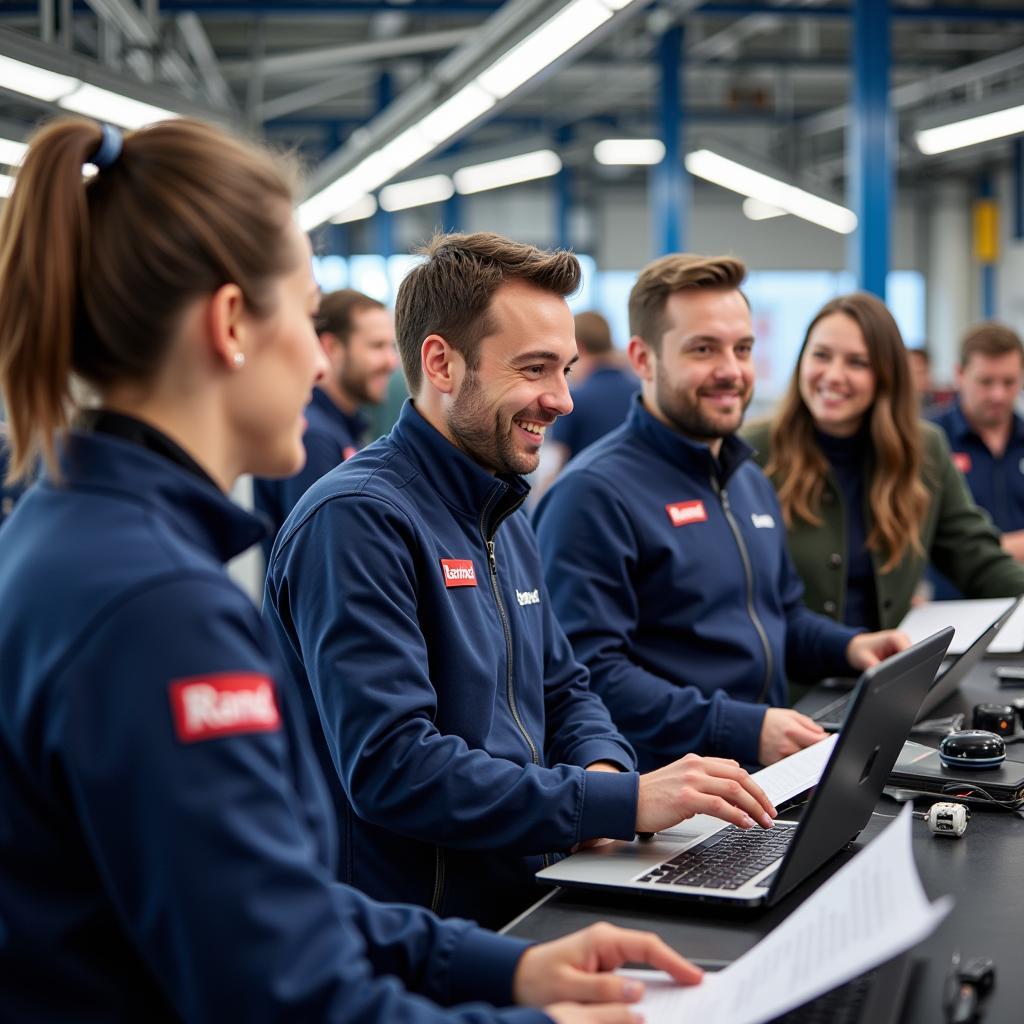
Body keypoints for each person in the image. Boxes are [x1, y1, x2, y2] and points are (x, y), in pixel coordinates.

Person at [0, 118, 706, 1024]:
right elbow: (285, 993)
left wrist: (501, 971)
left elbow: (266, 901)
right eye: (306, 312)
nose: (324, 355)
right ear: (230, 326)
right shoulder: (158, 606)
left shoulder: (86, 537)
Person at [263, 232, 777, 929]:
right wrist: (617, 803)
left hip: (533, 897)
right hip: (419, 944)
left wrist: (602, 770)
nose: (563, 400)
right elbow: (395, 768)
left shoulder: (501, 505)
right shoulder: (357, 521)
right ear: (442, 363)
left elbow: (563, 688)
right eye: (535, 369)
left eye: (565, 368)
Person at [533, 255, 907, 773]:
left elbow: (781, 618)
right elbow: (588, 675)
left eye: (743, 349)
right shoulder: (593, 495)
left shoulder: (746, 479)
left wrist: (853, 647)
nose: (731, 371)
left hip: (764, 780)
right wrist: (743, 727)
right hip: (669, 801)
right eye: (704, 349)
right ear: (643, 358)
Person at [742, 293, 1024, 632]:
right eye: (821, 356)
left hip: (889, 677)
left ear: (885, 375)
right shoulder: (750, 452)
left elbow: (978, 559)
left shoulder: (924, 451)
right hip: (790, 680)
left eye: (857, 363)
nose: (833, 375)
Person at [253, 287, 397, 563]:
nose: (391, 362)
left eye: (391, 347)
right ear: (331, 348)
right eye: (377, 346)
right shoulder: (313, 437)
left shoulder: (340, 429)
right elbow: (320, 555)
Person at [930, 323, 1024, 563]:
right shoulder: (929, 440)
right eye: (986, 382)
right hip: (952, 598)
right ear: (959, 374)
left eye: (1009, 382)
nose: (998, 395)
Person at [533, 311, 639, 500]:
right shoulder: (640, 395)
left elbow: (553, 466)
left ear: (578, 348)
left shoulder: (575, 401)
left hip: (586, 503)